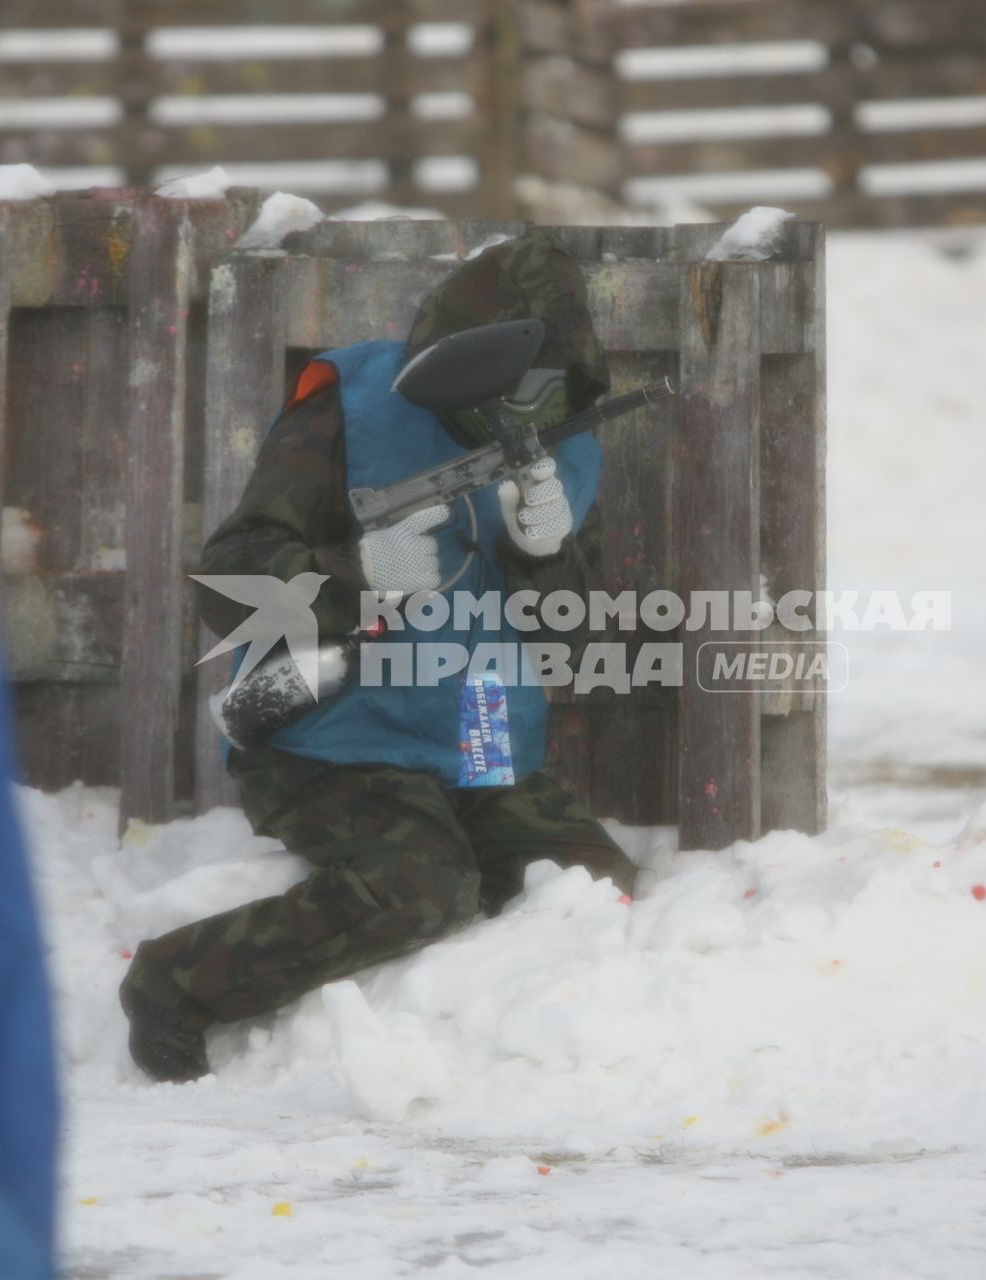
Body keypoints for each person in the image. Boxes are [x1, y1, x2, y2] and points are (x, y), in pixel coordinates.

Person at [119, 230, 639, 1081]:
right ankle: (177, 981)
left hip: (477, 722)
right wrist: (358, 582)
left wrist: (548, 552)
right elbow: (235, 567)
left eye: (540, 393)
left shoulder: (567, 444)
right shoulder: (351, 407)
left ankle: (495, 1054)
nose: (521, 410)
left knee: (589, 887)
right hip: (339, 725)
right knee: (420, 888)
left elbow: (572, 636)